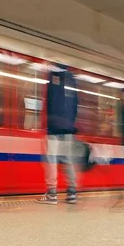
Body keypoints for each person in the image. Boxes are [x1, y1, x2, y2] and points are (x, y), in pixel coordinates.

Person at [37, 64, 79, 205]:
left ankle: (52, 194)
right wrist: (70, 124)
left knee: (51, 160)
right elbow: (75, 104)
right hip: (68, 128)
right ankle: (72, 193)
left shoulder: (53, 75)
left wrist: (46, 124)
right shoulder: (72, 78)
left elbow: (50, 101)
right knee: (67, 160)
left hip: (54, 128)